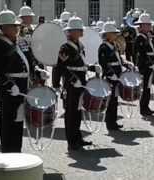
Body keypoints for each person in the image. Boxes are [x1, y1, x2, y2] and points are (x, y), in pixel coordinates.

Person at [0, 7, 49, 152]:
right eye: (13, 26)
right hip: (10, 89)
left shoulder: (18, 42)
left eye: (17, 26)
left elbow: (27, 60)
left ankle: (16, 150)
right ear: (3, 28)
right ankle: (8, 151)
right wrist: (9, 84)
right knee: (8, 121)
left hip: (22, 87)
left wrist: (37, 70)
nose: (16, 28)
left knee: (18, 120)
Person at [54, 16, 102, 150]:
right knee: (71, 113)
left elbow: (82, 63)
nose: (82, 32)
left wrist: (92, 67)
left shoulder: (80, 45)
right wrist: (66, 81)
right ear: (71, 31)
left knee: (78, 111)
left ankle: (78, 138)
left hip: (81, 81)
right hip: (72, 84)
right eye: (79, 30)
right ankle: (71, 141)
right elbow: (60, 67)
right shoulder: (65, 47)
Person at [98, 22, 134, 130]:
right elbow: (103, 63)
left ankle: (113, 122)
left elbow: (119, 59)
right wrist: (110, 74)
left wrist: (126, 64)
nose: (115, 35)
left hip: (117, 75)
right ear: (107, 34)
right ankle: (110, 123)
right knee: (111, 101)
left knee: (115, 100)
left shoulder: (114, 45)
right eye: (113, 33)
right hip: (110, 77)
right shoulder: (103, 47)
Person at [134, 12, 154, 116]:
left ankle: (146, 107)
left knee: (148, 88)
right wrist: (149, 64)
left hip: (149, 66)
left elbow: (150, 52)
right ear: (142, 26)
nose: (149, 26)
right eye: (147, 24)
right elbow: (141, 54)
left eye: (149, 24)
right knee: (145, 89)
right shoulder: (140, 38)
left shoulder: (146, 37)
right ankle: (143, 109)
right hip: (144, 67)